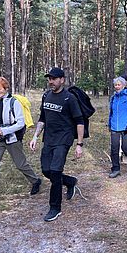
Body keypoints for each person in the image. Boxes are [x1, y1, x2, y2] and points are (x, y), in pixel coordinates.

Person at [0, 77, 42, 209]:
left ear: (6, 89)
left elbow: (20, 123)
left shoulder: (14, 102)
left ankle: (36, 181)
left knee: (20, 164)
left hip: (12, 139)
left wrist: (5, 130)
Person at [29, 68, 84, 222]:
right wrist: (35, 137)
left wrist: (79, 144)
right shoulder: (46, 96)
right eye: (49, 79)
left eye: (54, 79)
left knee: (55, 170)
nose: (51, 82)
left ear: (62, 80)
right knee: (46, 170)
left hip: (64, 139)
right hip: (49, 139)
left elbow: (79, 122)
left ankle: (55, 208)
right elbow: (42, 118)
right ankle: (70, 181)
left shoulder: (69, 98)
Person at [108, 76, 127, 178]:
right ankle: (116, 169)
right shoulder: (113, 98)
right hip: (114, 127)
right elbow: (111, 113)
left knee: (125, 148)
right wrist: (110, 124)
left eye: (119, 84)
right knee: (114, 149)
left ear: (123, 85)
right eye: (115, 85)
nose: (117, 86)